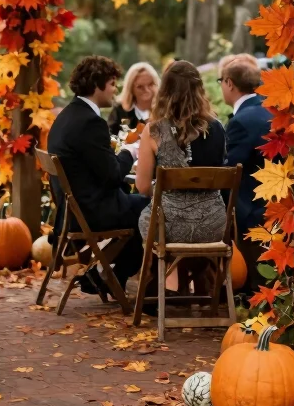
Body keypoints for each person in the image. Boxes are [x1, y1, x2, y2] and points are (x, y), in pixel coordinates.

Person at [47, 55, 149, 295]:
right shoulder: (90, 122)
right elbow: (113, 175)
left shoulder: (66, 116)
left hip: (72, 211)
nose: (115, 90)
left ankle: (106, 276)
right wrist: (131, 151)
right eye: (112, 83)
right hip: (92, 212)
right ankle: (115, 277)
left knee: (140, 206)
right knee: (152, 208)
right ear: (97, 84)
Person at [136, 60, 227, 245]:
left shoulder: (154, 131)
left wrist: (166, 189)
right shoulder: (218, 128)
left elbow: (143, 187)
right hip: (214, 224)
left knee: (148, 220)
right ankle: (200, 273)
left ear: (165, 91)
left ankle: (171, 273)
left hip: (169, 224)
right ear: (199, 90)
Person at [220, 56, 272, 288]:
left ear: (230, 83)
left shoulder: (242, 121)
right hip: (277, 204)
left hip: (250, 211)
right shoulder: (269, 110)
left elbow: (231, 170)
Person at [108, 62, 160, 134]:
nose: (147, 90)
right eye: (140, 87)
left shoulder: (164, 109)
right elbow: (111, 137)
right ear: (131, 88)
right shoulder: (120, 111)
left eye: (150, 84)